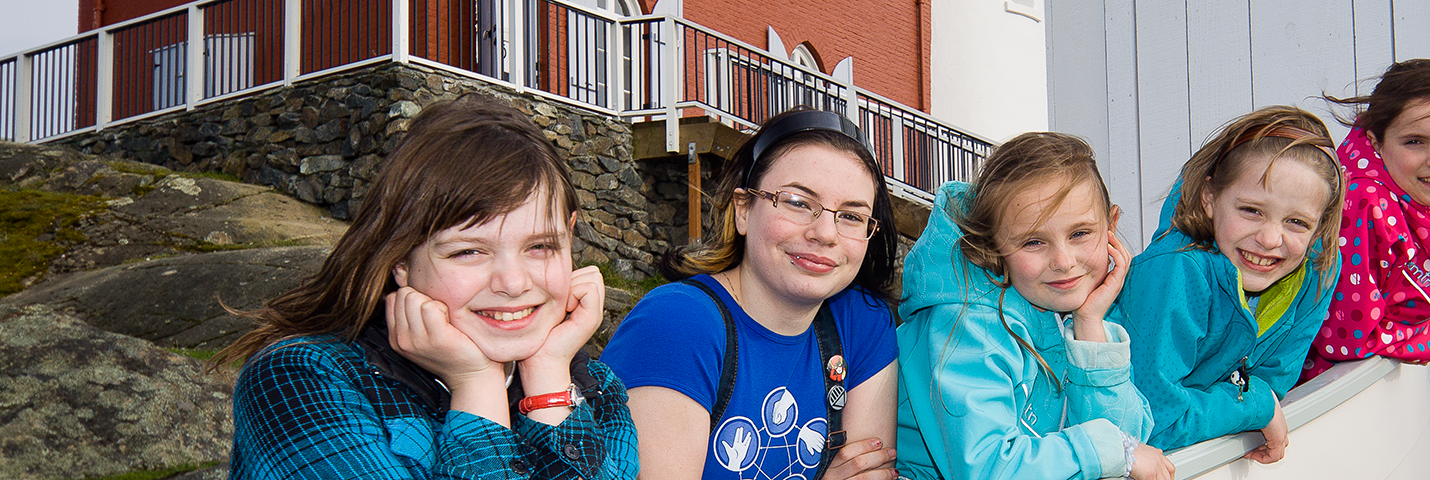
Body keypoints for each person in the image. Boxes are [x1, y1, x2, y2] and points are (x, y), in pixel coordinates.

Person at [217, 95, 638, 479]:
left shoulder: (596, 388)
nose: (513, 283)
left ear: (570, 234)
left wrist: (548, 380)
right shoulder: (301, 379)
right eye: (468, 252)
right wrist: (476, 386)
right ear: (400, 258)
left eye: (541, 246)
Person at [602, 108, 901, 480]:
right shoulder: (678, 323)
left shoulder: (861, 323)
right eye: (797, 202)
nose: (826, 233)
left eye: (852, 216)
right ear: (743, 210)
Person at [895, 133, 1176, 480]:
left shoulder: (1066, 309)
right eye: (1033, 242)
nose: (1064, 261)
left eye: (1080, 234)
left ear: (1110, 226)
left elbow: (1126, 438)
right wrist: (1107, 450)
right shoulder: (967, 325)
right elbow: (987, 468)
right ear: (993, 246)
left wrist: (1090, 324)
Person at [1115, 106, 1345, 458]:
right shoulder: (1175, 270)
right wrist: (1254, 405)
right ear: (1209, 198)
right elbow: (1153, 421)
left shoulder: (1317, 269)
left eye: (1297, 222)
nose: (1270, 239)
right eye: (1251, 211)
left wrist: (1253, 399)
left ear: (1318, 228)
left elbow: (1273, 381)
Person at [1300, 58, 1430, 381]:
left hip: (1376, 385)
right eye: (1414, 142)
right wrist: (1422, 337)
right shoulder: (1363, 204)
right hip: (1332, 391)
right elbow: (1345, 337)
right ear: (1376, 142)